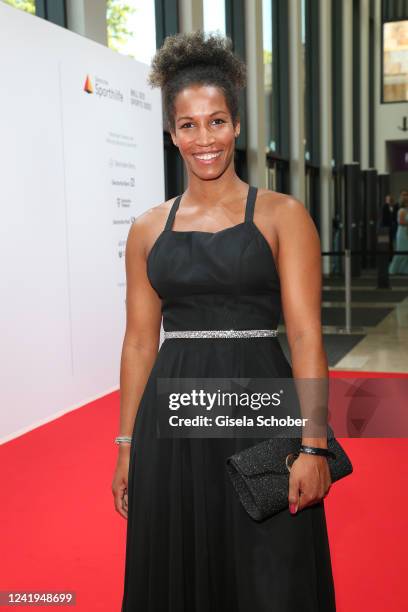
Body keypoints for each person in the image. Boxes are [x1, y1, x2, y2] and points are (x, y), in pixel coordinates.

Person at [113, 30, 336, 611]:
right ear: (172, 134)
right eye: (188, 125)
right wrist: (125, 446)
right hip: (172, 418)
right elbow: (139, 343)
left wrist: (313, 446)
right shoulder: (146, 229)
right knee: (180, 565)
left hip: (261, 407)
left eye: (216, 121)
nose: (203, 138)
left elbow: (308, 333)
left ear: (236, 126)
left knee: (271, 568)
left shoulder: (284, 216)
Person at [389, 193, 408, 275]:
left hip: (406, 232)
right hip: (403, 233)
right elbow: (400, 222)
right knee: (401, 251)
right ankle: (394, 269)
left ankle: (404, 269)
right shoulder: (402, 211)